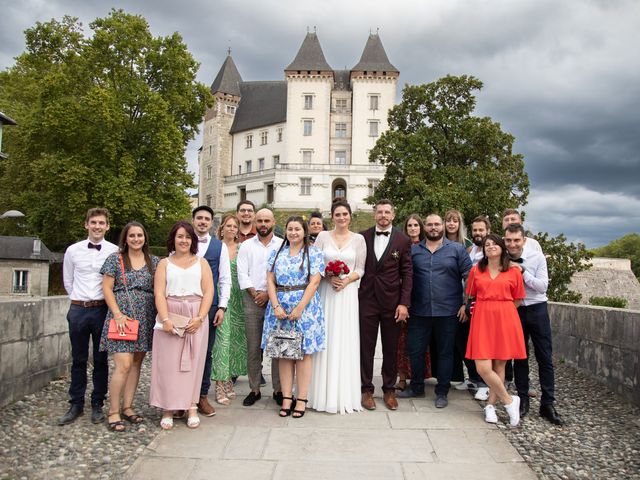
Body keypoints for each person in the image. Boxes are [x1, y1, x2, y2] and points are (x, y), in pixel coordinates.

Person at [399, 213, 471, 409]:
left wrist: (466, 303)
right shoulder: (414, 251)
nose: (433, 228)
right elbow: (404, 277)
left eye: (437, 224)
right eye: (429, 224)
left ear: (443, 226)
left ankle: (442, 392)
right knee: (415, 350)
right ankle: (417, 387)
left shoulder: (457, 250)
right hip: (419, 311)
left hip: (448, 311)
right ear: (425, 227)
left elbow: (470, 278)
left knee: (445, 352)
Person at [149, 221, 214, 430]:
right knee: (168, 364)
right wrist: (165, 319)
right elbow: (159, 292)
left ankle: (191, 406)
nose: (183, 240)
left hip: (195, 313)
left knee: (193, 364)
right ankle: (168, 408)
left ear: (192, 240)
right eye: (180, 236)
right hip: (171, 312)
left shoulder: (201, 262)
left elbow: (209, 291)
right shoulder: (164, 264)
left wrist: (201, 317)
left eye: (187, 237)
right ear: (173, 239)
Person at [59, 208, 118, 426]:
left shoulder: (114, 251)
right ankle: (75, 403)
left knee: (101, 359)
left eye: (101, 223)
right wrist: (79, 300)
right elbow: (68, 281)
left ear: (107, 226)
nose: (97, 226)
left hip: (102, 309)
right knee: (78, 358)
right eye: (93, 222)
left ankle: (97, 403)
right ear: (86, 225)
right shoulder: (73, 251)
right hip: (78, 309)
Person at [99, 222, 159, 431]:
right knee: (123, 364)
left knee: (136, 364)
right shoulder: (115, 259)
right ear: (125, 238)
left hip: (145, 316)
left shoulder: (154, 261)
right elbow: (106, 288)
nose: (136, 239)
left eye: (139, 235)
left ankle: (128, 406)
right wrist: (117, 313)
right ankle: (114, 411)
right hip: (122, 318)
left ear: (145, 238)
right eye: (132, 235)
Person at [263, 216, 325, 418]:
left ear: (304, 231)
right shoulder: (276, 253)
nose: (293, 232)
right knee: (284, 352)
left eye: (297, 229)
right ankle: (287, 397)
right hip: (280, 307)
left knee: (303, 354)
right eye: (290, 229)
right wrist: (276, 305)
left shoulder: (314, 253)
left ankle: (302, 398)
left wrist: (299, 307)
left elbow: (314, 282)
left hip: (305, 308)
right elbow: (270, 281)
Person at [504, 224, 565, 425]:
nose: (512, 244)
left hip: (537, 308)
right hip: (516, 309)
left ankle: (548, 403)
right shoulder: (502, 259)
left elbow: (542, 287)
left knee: (544, 357)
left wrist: (522, 272)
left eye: (516, 240)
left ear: (523, 240)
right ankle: (522, 400)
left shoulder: (537, 258)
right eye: (509, 240)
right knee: (520, 356)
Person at [310, 199, 366, 414]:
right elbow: (315, 264)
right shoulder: (323, 237)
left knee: (344, 339)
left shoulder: (359, 239)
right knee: (326, 338)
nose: (342, 218)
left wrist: (347, 280)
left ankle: (343, 394)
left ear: (350, 216)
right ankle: (320, 394)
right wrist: (328, 276)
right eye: (338, 214)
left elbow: (361, 268)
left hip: (348, 295)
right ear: (331, 216)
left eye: (345, 214)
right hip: (327, 294)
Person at [465, 234, 526, 426]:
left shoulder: (513, 272)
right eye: (487, 245)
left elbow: (518, 299)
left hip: (505, 319)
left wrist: (502, 312)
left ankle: (490, 406)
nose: (490, 247)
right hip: (482, 319)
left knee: (499, 367)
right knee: (483, 367)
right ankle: (509, 401)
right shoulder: (476, 271)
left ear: (502, 247)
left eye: (494, 244)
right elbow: (471, 295)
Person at [359, 200, 413, 411]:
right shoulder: (362, 237)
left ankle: (389, 390)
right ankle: (366, 389)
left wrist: (404, 303)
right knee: (366, 348)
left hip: (392, 303)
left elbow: (407, 273)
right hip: (367, 300)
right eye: (379, 212)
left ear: (393, 215)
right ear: (374, 215)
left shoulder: (403, 239)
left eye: (387, 212)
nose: (383, 215)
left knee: (391, 348)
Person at [237, 208, 283, 406]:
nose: (263, 224)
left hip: (275, 301)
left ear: (273, 222)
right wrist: (255, 294)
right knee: (253, 347)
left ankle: (278, 389)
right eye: (260, 221)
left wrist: (268, 295)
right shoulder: (246, 246)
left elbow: (283, 271)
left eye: (267, 220)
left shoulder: (282, 245)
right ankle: (254, 389)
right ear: (255, 222)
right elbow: (242, 272)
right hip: (252, 299)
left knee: (277, 347)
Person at [192, 205, 231, 417]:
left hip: (211, 306)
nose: (203, 222)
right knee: (184, 353)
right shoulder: (182, 242)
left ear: (211, 222)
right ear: (193, 220)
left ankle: (201, 396)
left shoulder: (219, 247)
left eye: (207, 219)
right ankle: (183, 396)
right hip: (185, 305)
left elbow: (225, 279)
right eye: (199, 218)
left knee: (206, 353)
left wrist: (222, 306)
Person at [211, 214, 247, 404]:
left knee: (235, 342)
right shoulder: (216, 247)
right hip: (221, 297)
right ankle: (218, 384)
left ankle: (229, 381)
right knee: (221, 343)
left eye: (235, 226)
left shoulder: (243, 248)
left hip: (239, 299)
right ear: (222, 228)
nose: (232, 229)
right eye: (228, 225)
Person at [395, 214, 431, 391]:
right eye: (409, 225)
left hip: (421, 297)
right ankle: (401, 377)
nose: (413, 228)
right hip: (402, 297)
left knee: (419, 342)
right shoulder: (401, 245)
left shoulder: (427, 246)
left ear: (421, 227)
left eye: (416, 225)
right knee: (401, 340)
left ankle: (419, 377)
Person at [466, 215, 492, 401]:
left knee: (485, 348)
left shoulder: (491, 250)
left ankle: (486, 385)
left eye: (481, 230)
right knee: (471, 345)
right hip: (472, 302)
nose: (477, 233)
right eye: (475, 230)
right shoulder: (471, 250)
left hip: (487, 305)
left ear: (488, 231)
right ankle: (475, 380)